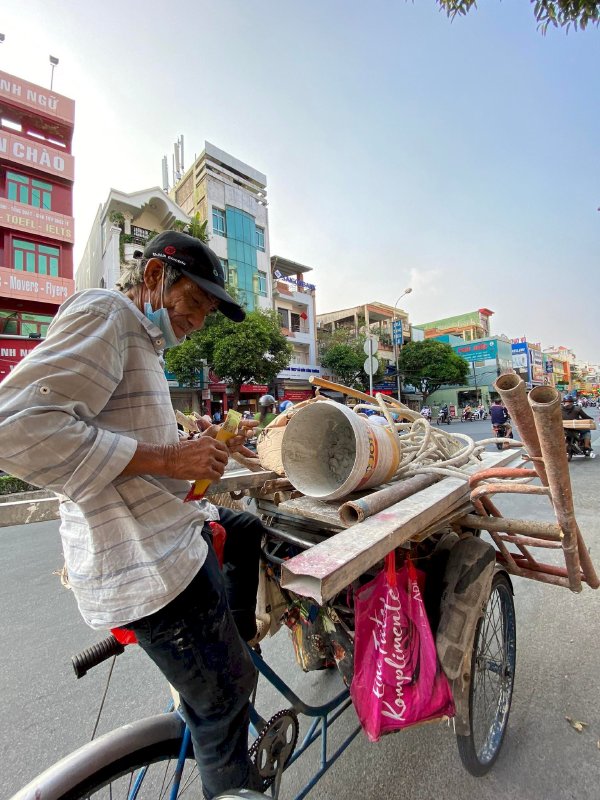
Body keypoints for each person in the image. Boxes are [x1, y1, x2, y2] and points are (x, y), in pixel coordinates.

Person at [0, 231, 268, 799]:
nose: (197, 320)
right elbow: (17, 428)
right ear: (152, 278)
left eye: (205, 312)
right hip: (151, 566)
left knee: (245, 528)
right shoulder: (110, 316)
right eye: (193, 303)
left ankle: (235, 646)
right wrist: (171, 456)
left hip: (167, 539)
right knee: (225, 701)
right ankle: (228, 701)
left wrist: (187, 441)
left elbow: (121, 431)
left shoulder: (144, 341)